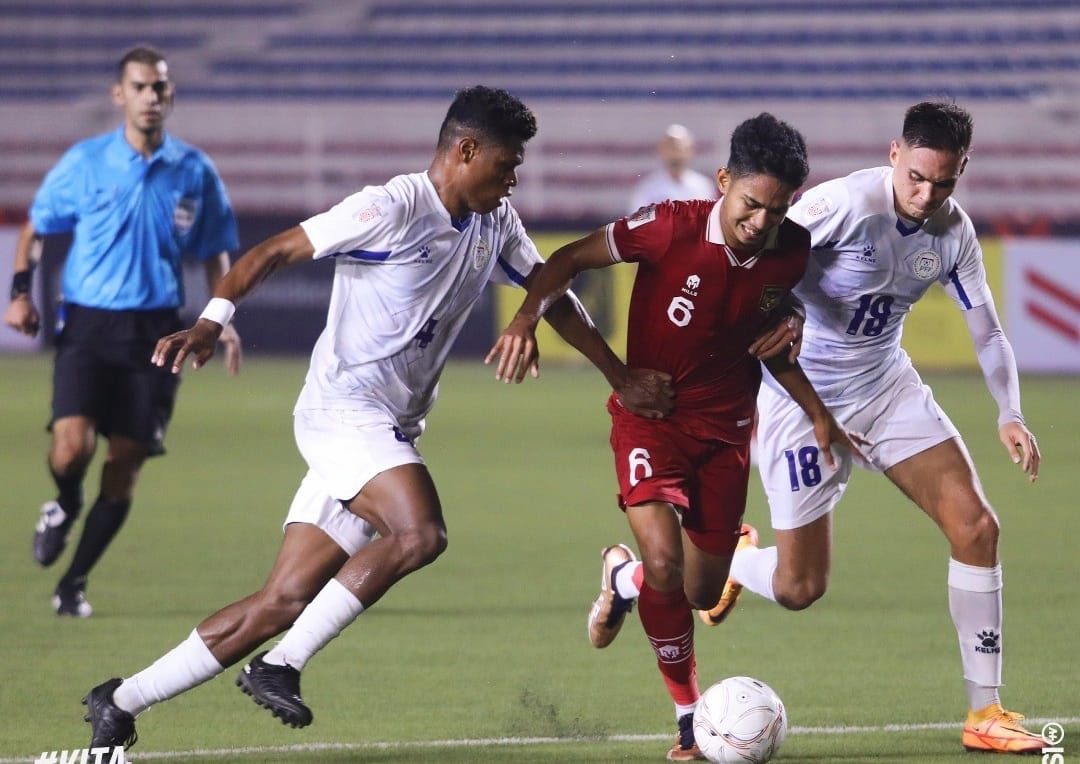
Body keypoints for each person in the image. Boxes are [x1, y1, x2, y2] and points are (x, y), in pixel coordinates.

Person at [81, 85, 673, 751]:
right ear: (466, 150)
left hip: (386, 428)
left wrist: (610, 372)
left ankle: (119, 701)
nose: (514, 179)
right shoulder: (391, 207)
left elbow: (552, 291)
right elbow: (273, 251)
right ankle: (280, 664)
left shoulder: (493, 223)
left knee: (281, 600)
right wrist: (212, 322)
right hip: (342, 413)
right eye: (507, 164)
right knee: (420, 533)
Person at [488, 113, 862, 762]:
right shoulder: (667, 227)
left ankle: (623, 578)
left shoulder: (790, 250)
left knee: (696, 593)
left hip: (726, 437)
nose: (759, 222)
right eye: (750, 204)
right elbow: (567, 261)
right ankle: (689, 719)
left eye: (776, 210)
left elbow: (766, 342)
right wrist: (531, 324)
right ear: (724, 182)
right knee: (668, 561)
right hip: (651, 418)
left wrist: (816, 408)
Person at [699, 101, 1046, 755]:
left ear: (961, 171)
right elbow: (752, 262)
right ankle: (741, 562)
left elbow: (988, 331)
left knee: (977, 528)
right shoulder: (841, 206)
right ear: (895, 154)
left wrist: (1011, 412)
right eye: (917, 176)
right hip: (801, 400)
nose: (927, 193)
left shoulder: (954, 234)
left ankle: (985, 713)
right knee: (801, 589)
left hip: (885, 388)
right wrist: (782, 317)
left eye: (944, 182)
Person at [3, 45, 241, 618]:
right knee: (70, 448)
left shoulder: (194, 170)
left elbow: (215, 251)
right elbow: (37, 224)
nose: (150, 97)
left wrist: (221, 319)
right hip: (88, 321)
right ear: (120, 95)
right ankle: (63, 503)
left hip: (156, 330)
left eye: (159, 87)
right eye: (139, 87)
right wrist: (19, 292)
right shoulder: (86, 162)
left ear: (170, 96)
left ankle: (73, 583)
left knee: (126, 460)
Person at [628, 124, 717, 213]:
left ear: (690, 151)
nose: (676, 154)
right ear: (661, 150)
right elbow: (637, 223)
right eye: (671, 148)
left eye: (680, 148)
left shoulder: (703, 186)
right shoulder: (647, 188)